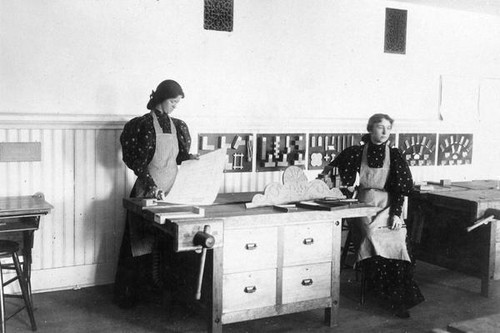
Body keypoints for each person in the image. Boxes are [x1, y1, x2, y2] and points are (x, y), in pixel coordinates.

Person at [320, 113, 424, 318]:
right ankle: (377, 290)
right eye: (380, 127)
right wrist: (333, 186)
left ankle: (396, 300)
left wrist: (396, 215)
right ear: (370, 129)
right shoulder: (356, 152)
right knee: (372, 237)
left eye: (388, 128)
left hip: (388, 206)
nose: (385, 132)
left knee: (398, 242)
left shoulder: (395, 155)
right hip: (363, 204)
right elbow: (331, 170)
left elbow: (401, 189)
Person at [114, 79, 198, 308]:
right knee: (142, 243)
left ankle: (169, 297)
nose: (174, 106)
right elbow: (137, 164)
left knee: (171, 242)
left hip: (172, 192)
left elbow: (179, 157)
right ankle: (139, 299)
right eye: (172, 101)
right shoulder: (141, 125)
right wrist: (150, 185)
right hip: (147, 190)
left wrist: (190, 159)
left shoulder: (179, 125)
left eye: (177, 103)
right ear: (161, 98)